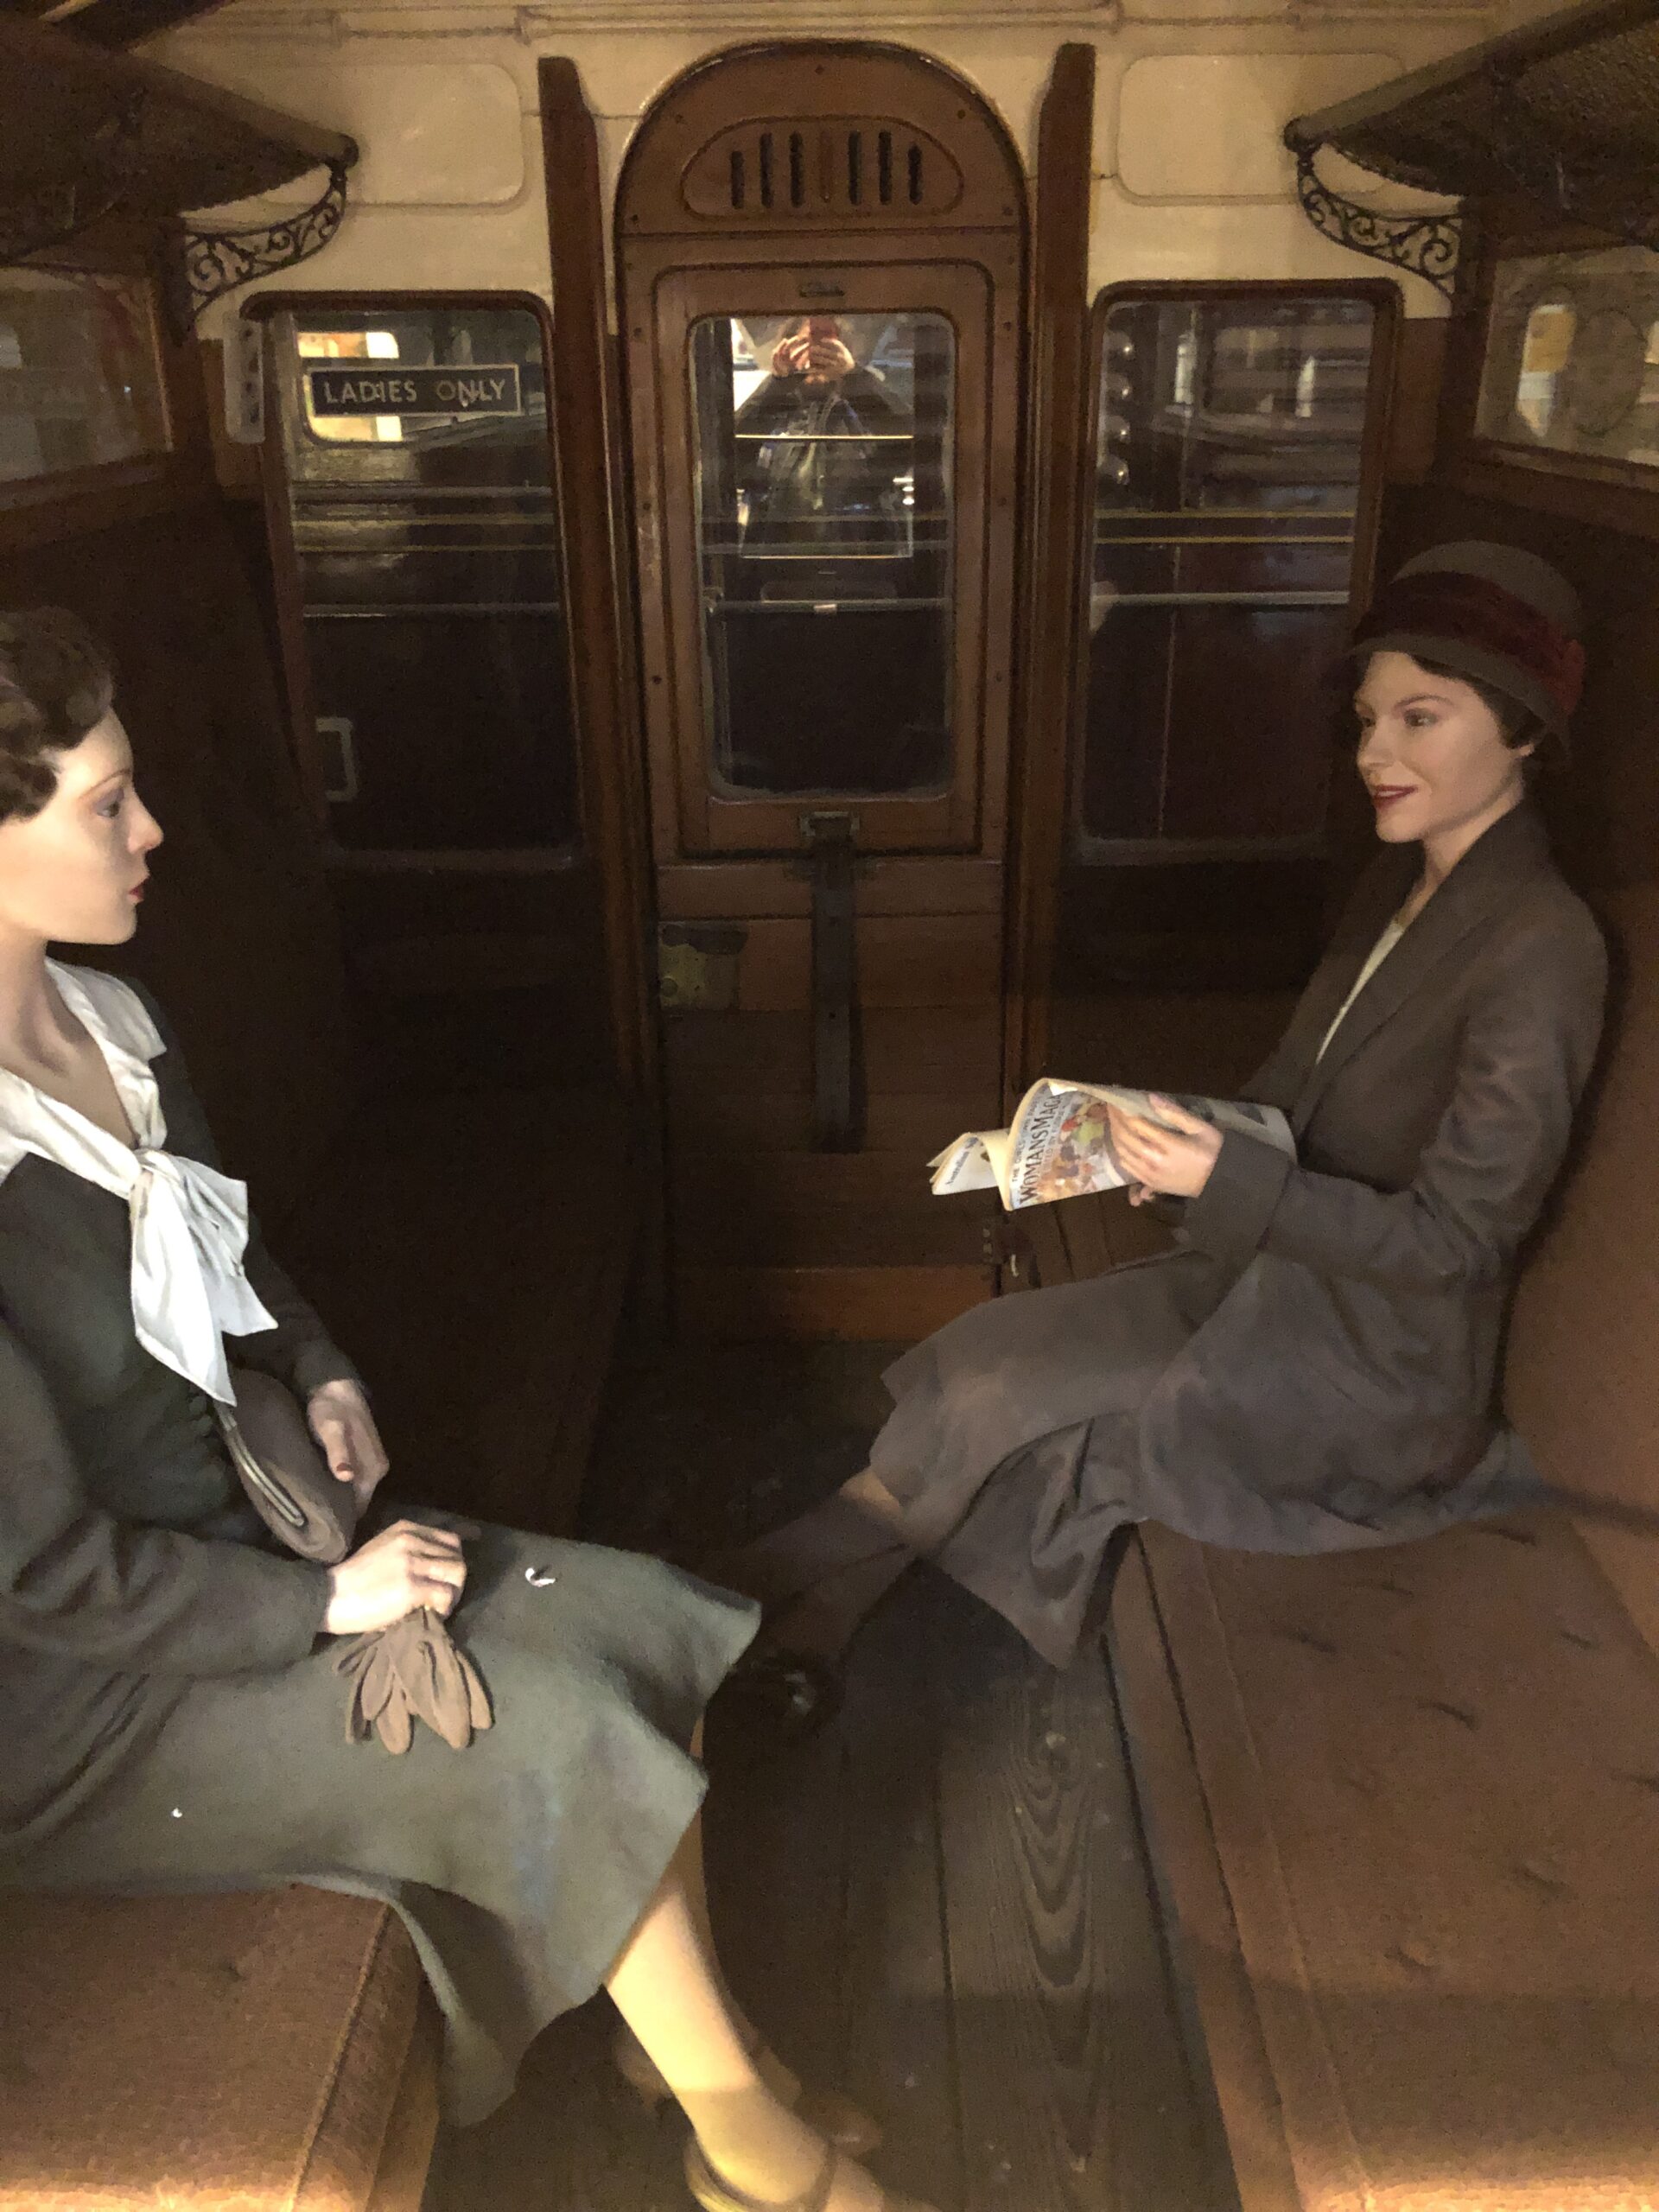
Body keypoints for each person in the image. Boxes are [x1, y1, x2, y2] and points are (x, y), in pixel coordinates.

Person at [0, 607, 930, 2212]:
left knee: (638, 1618)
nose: (152, 833)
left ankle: (674, 2054)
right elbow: (38, 1578)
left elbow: (231, 1252)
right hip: (95, 1704)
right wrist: (323, 1605)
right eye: (107, 804)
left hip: (254, 1539)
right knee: (563, 1724)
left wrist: (320, 1365)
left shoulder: (108, 1023)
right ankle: (755, 2158)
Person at [717, 541, 1609, 1674]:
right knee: (993, 1355)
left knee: (1058, 1417)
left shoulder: (1543, 948)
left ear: (1525, 730)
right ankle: (802, 1602)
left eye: (1419, 720)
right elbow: (1290, 1091)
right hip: (1271, 1279)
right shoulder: (1401, 880)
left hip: (1374, 1371)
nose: (1374, 755)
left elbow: (1462, 1245)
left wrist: (1227, 1180)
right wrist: (1143, 1143)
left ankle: (778, 1599)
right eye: (1368, 721)